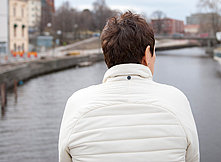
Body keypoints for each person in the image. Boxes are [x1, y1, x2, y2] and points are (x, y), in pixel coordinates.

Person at [58, 11, 199, 162]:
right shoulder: (176, 100)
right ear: (147, 55)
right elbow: (192, 158)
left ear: (107, 56)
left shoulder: (77, 103)